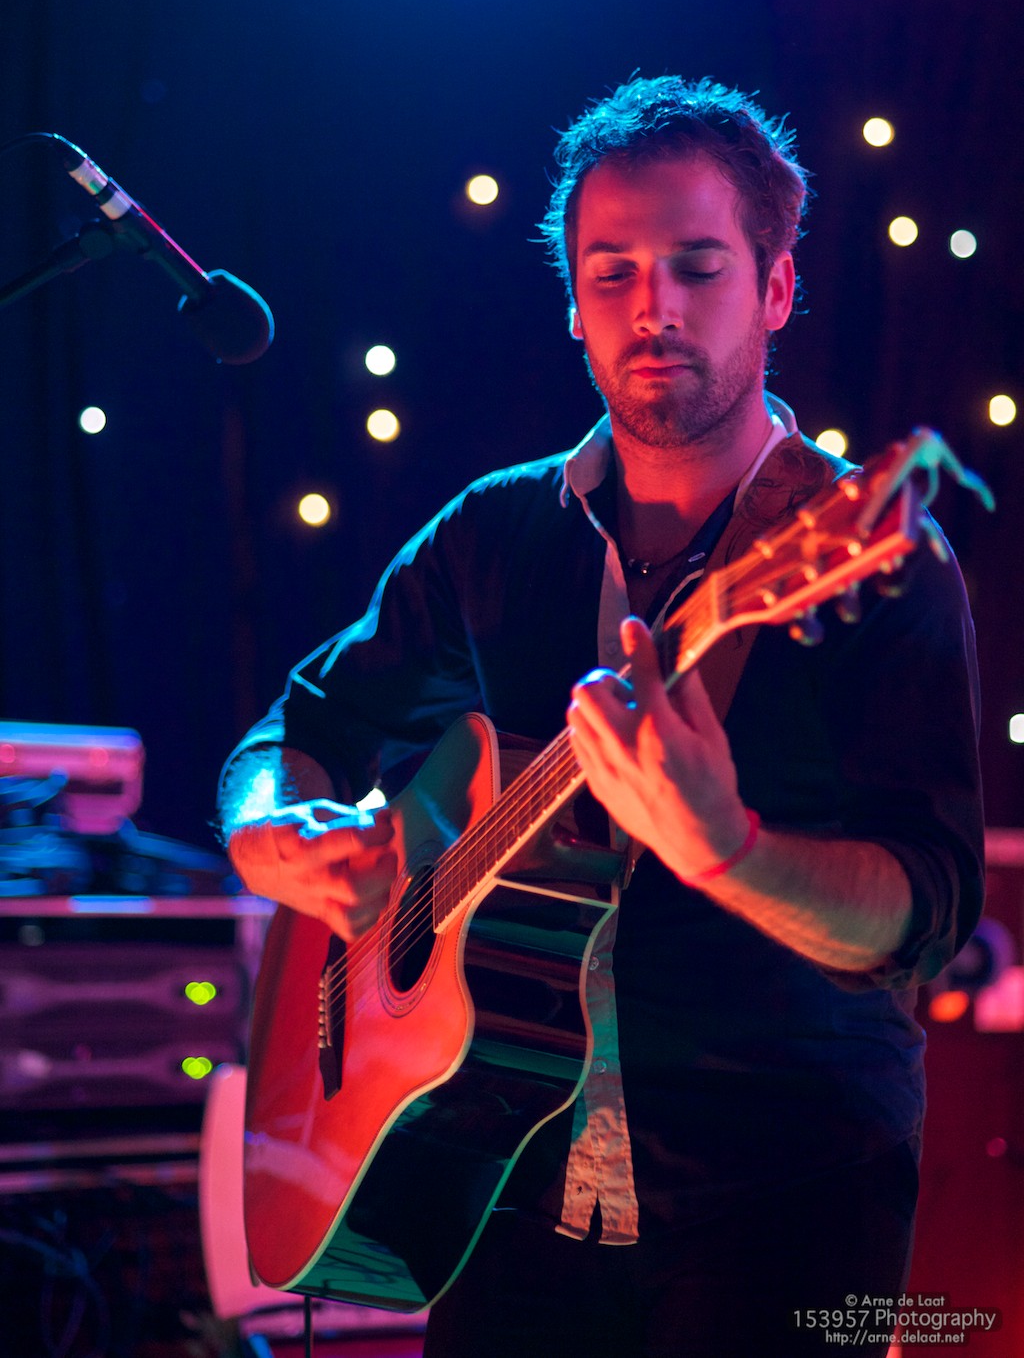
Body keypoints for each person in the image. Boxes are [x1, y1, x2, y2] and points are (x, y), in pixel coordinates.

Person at [219, 77, 985, 1356]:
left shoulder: (870, 556)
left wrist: (729, 853)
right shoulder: (490, 533)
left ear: (776, 289)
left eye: (697, 266)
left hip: (784, 1200)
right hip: (498, 1189)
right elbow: (302, 722)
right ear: (573, 303)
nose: (653, 307)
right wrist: (267, 831)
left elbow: (928, 909)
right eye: (612, 272)